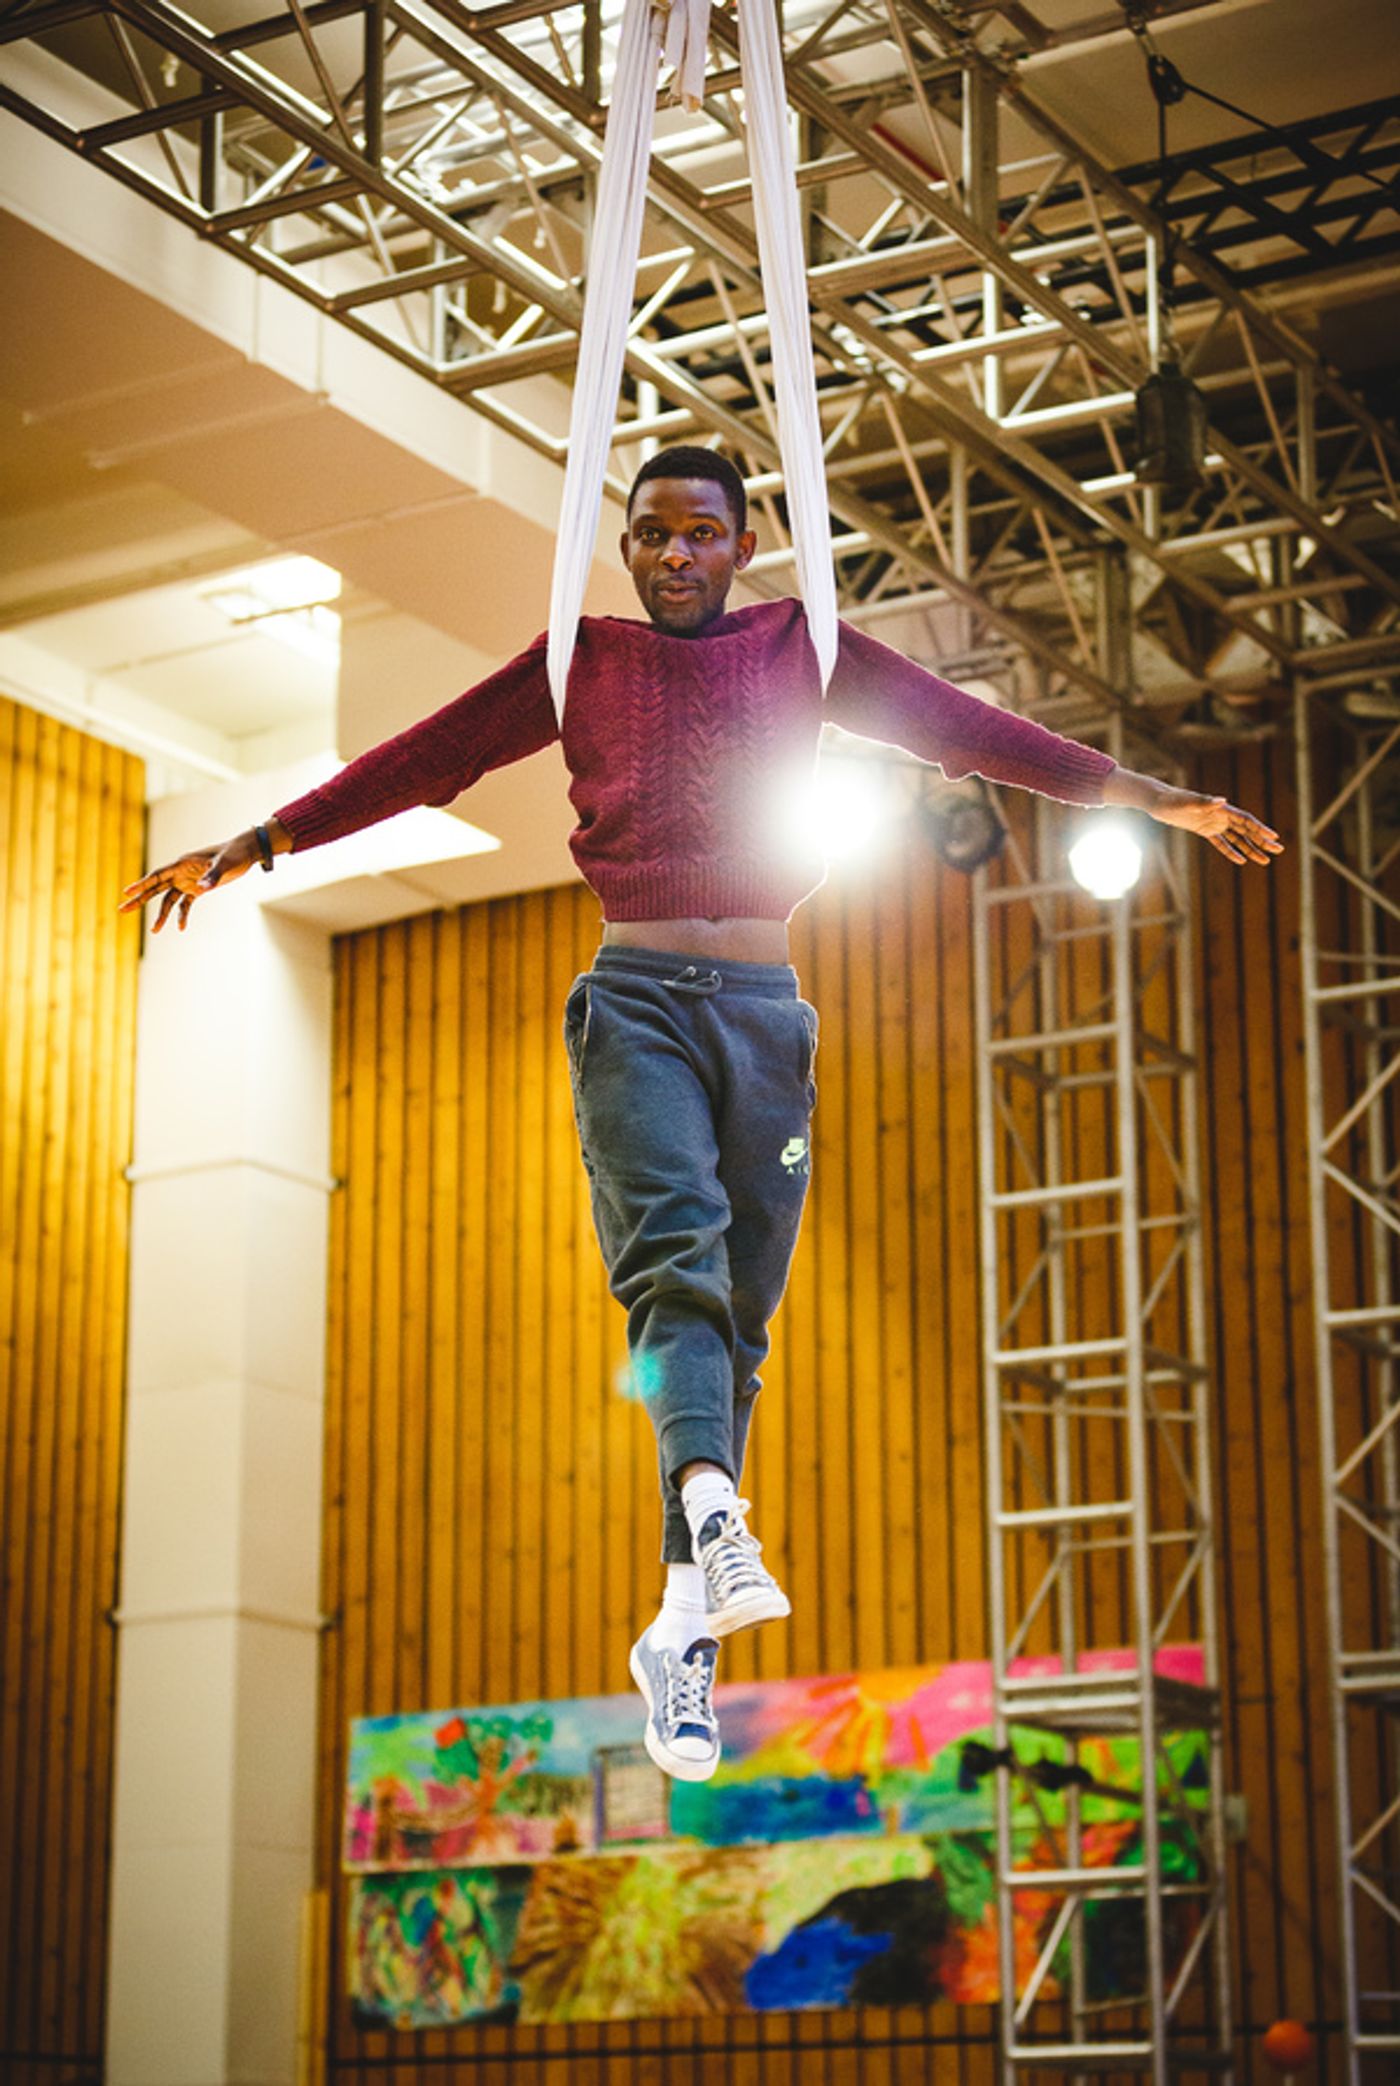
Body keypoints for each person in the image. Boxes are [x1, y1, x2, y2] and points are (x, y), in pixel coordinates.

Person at [121, 445, 1283, 1784]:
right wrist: (254, 842)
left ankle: (682, 1622)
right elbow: (424, 758)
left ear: (742, 545)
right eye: (653, 535)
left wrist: (1155, 800)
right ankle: (717, 1514)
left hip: (768, 1015)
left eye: (701, 534)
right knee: (674, 1262)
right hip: (638, 1002)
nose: (675, 556)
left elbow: (977, 733)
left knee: (736, 1321)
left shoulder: (809, 650)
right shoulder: (582, 662)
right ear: (626, 548)